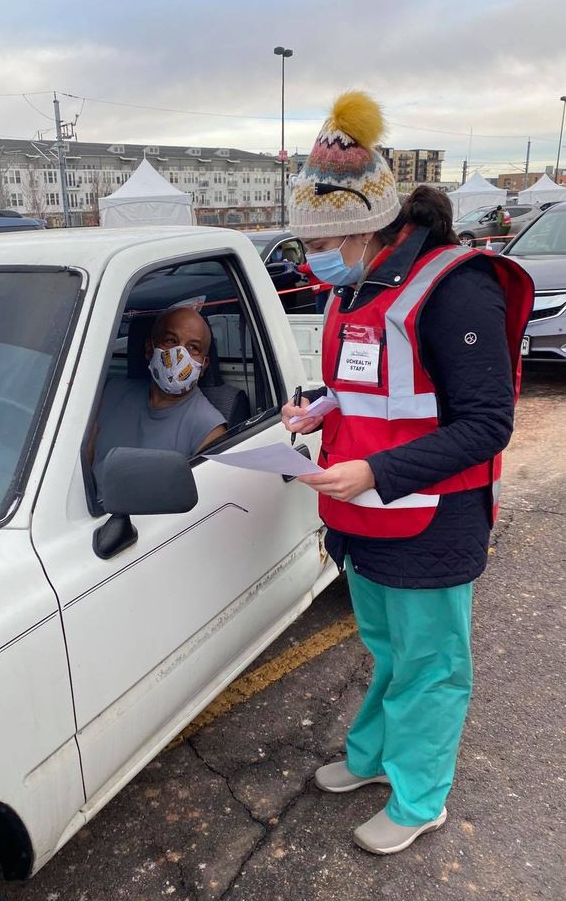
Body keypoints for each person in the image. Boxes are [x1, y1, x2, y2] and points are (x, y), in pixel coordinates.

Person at [283, 91, 532, 855]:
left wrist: (375, 470)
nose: (314, 259)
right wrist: (318, 410)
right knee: (388, 652)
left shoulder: (457, 285)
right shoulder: (353, 284)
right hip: (364, 514)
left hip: (431, 517)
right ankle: (372, 760)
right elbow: (372, 386)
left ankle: (420, 796)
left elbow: (488, 424)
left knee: (431, 666)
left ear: (378, 226)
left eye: (330, 241)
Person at [93, 306, 227, 482]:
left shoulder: (208, 428)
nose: (180, 355)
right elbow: (79, 466)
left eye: (193, 348)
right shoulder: (112, 391)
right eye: (171, 340)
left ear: (204, 365)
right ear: (149, 348)